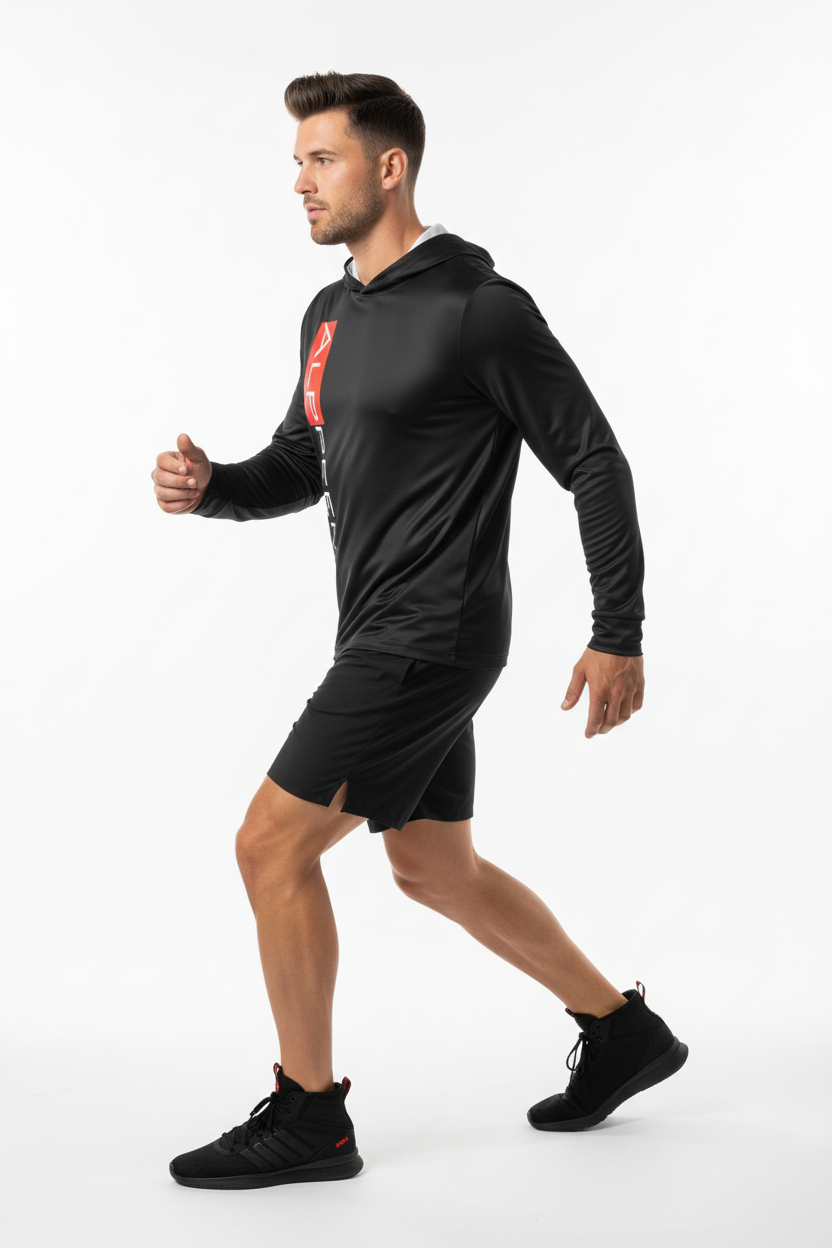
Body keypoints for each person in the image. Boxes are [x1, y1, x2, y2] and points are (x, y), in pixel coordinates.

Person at [152, 71, 687, 1191]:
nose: (300, 182)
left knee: (269, 845)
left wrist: (618, 629)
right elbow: (302, 461)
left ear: (389, 168)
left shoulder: (476, 307)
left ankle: (310, 1116)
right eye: (296, 162)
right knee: (435, 868)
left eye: (323, 160)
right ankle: (622, 1031)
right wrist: (214, 490)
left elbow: (593, 458)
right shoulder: (330, 313)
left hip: (430, 634)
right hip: (384, 632)